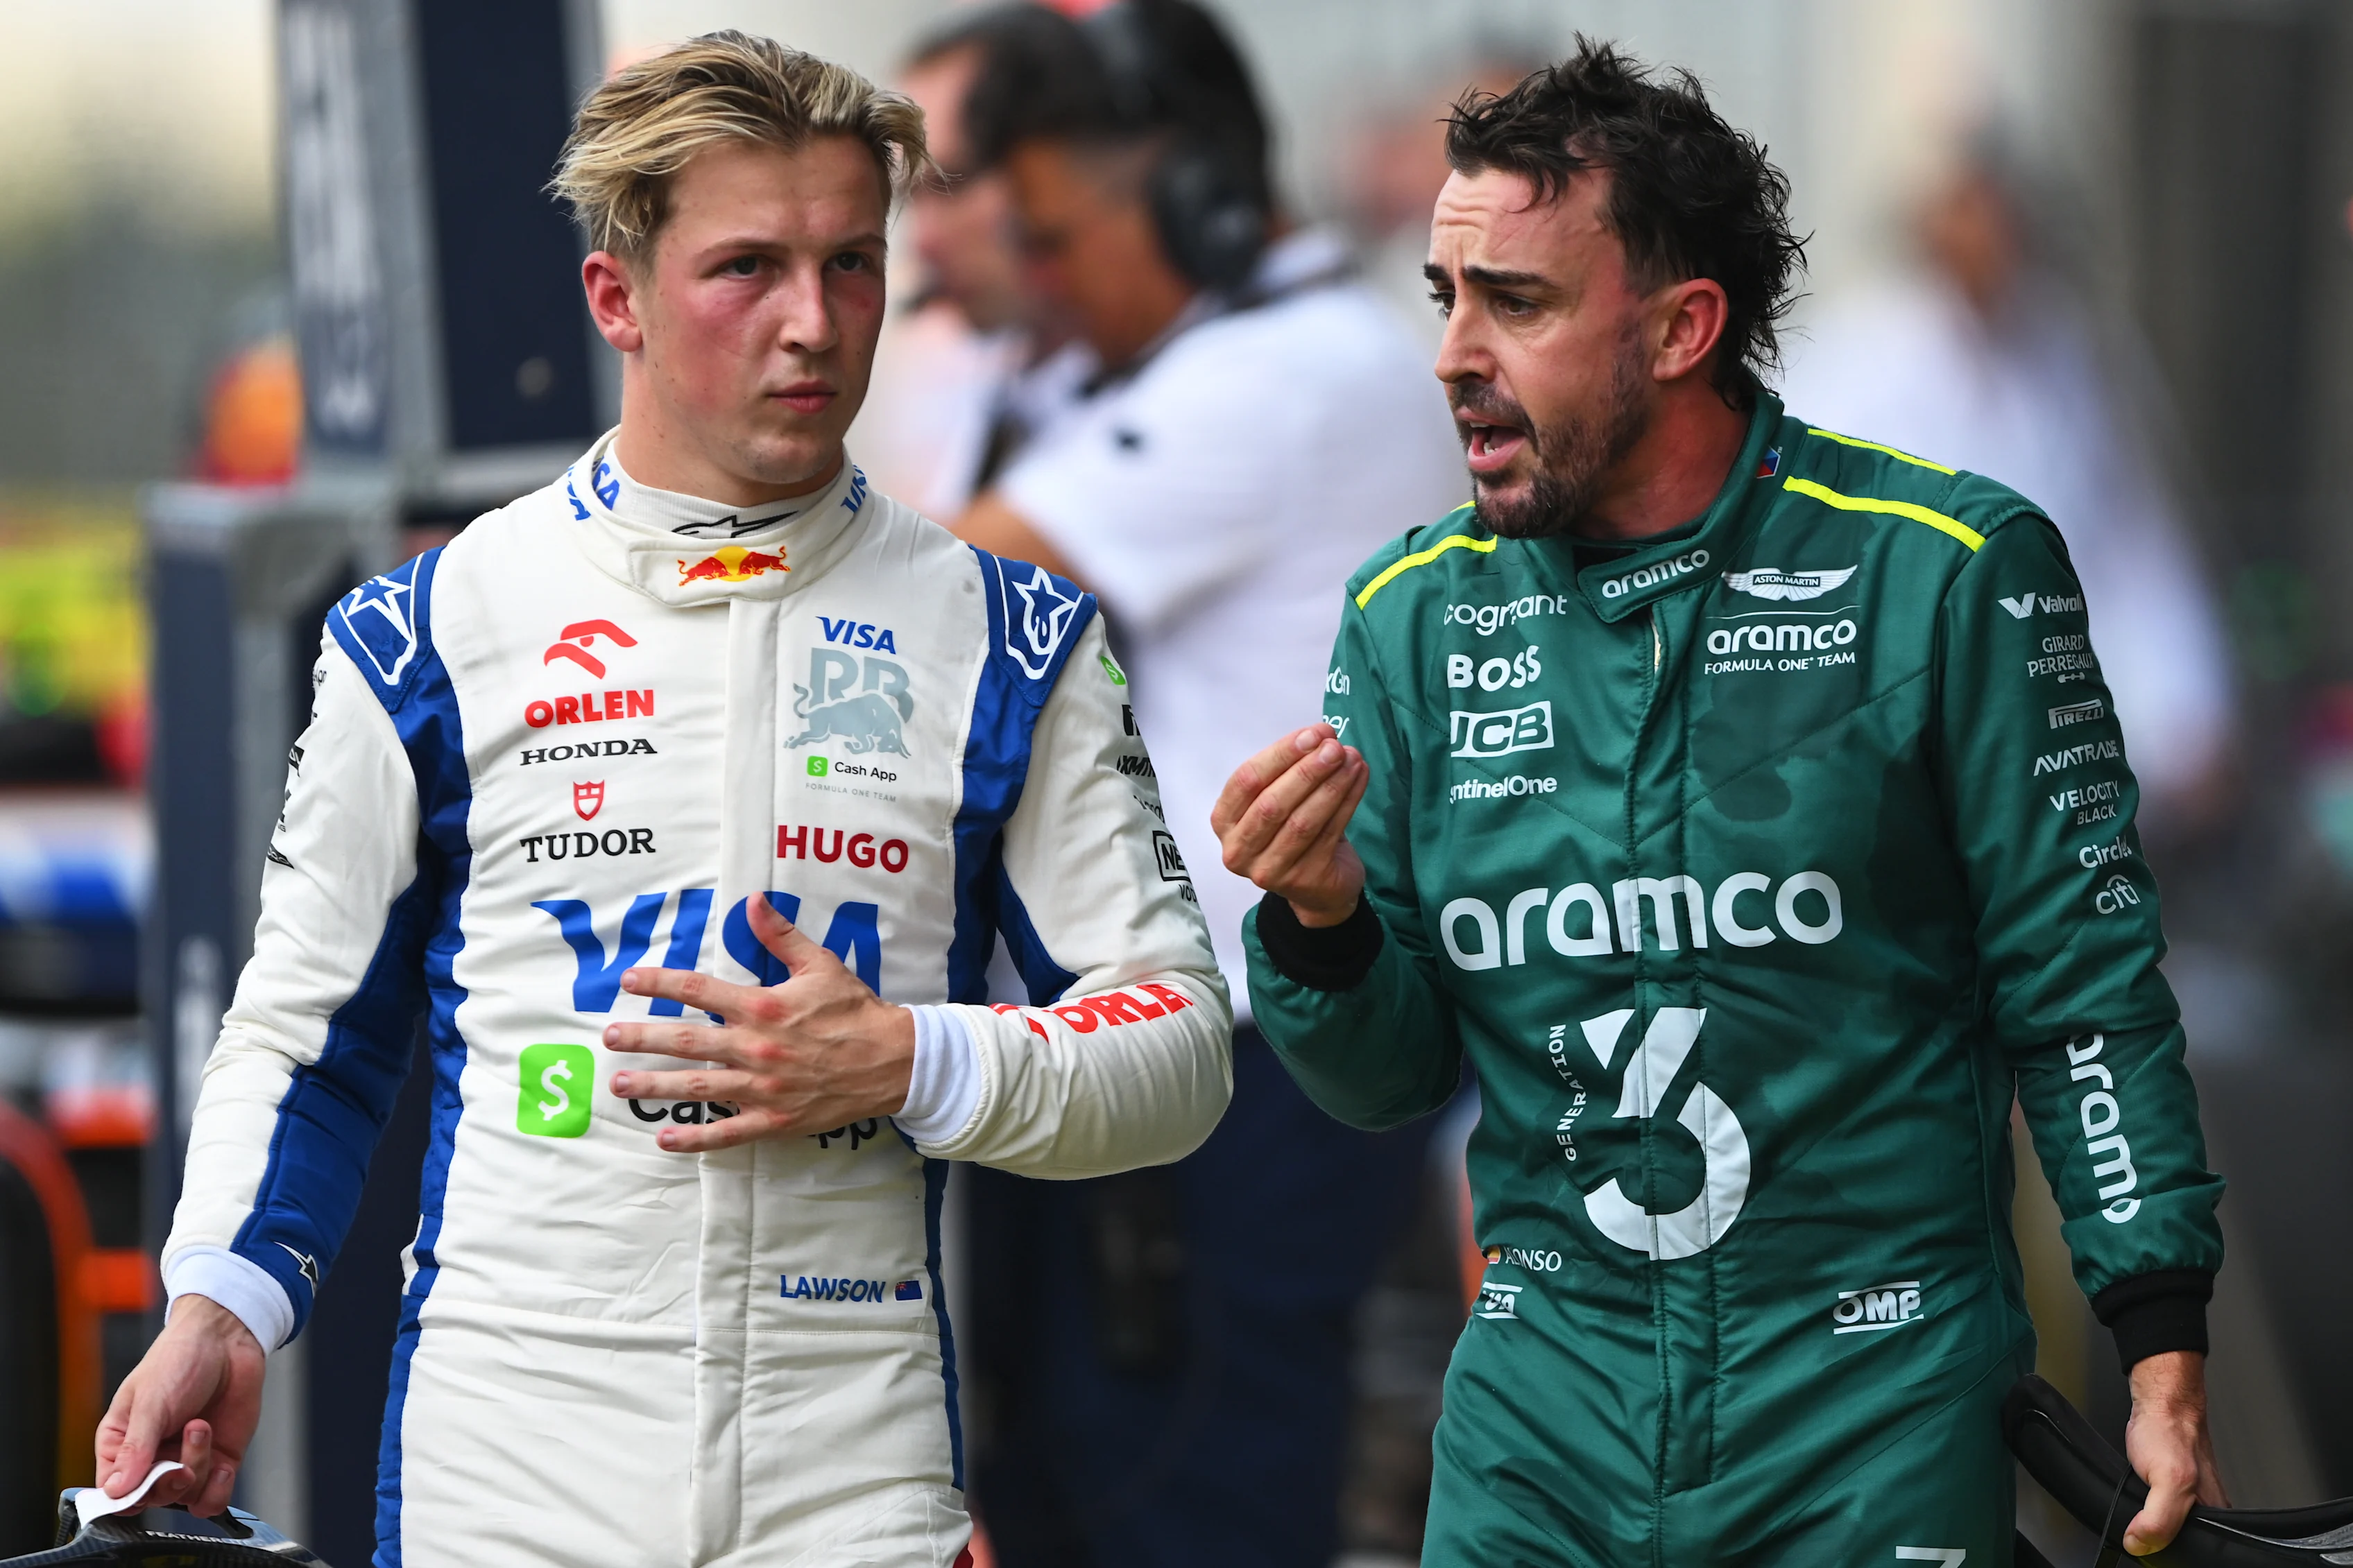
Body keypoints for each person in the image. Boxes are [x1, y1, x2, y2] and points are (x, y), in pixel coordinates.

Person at [94, 33, 1231, 1568]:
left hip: (855, 1469)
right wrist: (221, 1296)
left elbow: (1176, 1039)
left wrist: (904, 1056)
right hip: (507, 1464)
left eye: (852, 263)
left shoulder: (1011, 634)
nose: (812, 323)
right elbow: (307, 1028)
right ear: (615, 300)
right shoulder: (425, 627)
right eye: (747, 267)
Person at [1215, 42, 2230, 1565]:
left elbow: (2082, 986)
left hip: (1866, 1418)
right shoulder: (1407, 615)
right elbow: (1386, 1075)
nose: (1451, 354)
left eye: (1520, 302)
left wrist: (2158, 1343)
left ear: (1683, 326)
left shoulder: (1944, 569)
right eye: (1448, 299)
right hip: (1539, 1435)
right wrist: (1318, 923)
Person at [943, 3, 1464, 1563]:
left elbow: (937, 591)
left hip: (1237, 1085)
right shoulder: (1228, 360)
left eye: (1047, 234)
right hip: (1179, 1070)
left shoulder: (1289, 372)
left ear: (1191, 200)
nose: (1029, 275)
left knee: (1175, 1511)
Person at [1779, 138, 2234, 840]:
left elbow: (2135, 551)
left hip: (2061, 733)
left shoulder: (2076, 357)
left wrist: (2188, 713)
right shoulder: (1852, 360)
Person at [855, 3, 1092, 520]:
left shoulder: (1212, 383)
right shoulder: (997, 379)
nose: (926, 244)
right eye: (912, 199)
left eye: (952, 184)